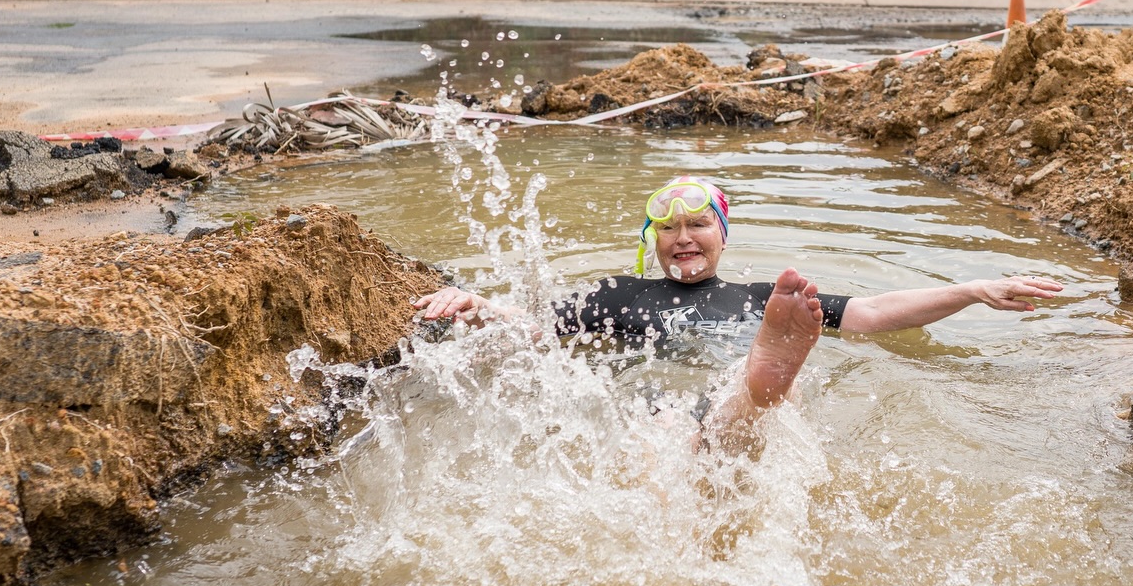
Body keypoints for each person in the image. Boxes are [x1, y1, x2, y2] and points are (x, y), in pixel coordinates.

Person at [413, 176, 1062, 437]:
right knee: (664, 425)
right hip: (658, 396)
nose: (684, 237)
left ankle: (760, 386)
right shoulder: (617, 294)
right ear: (652, 240)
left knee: (748, 413)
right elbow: (534, 329)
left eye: (699, 224)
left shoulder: (762, 298)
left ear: (723, 234)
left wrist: (972, 290)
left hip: (730, 370)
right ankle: (759, 389)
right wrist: (476, 304)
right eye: (668, 228)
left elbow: (869, 313)